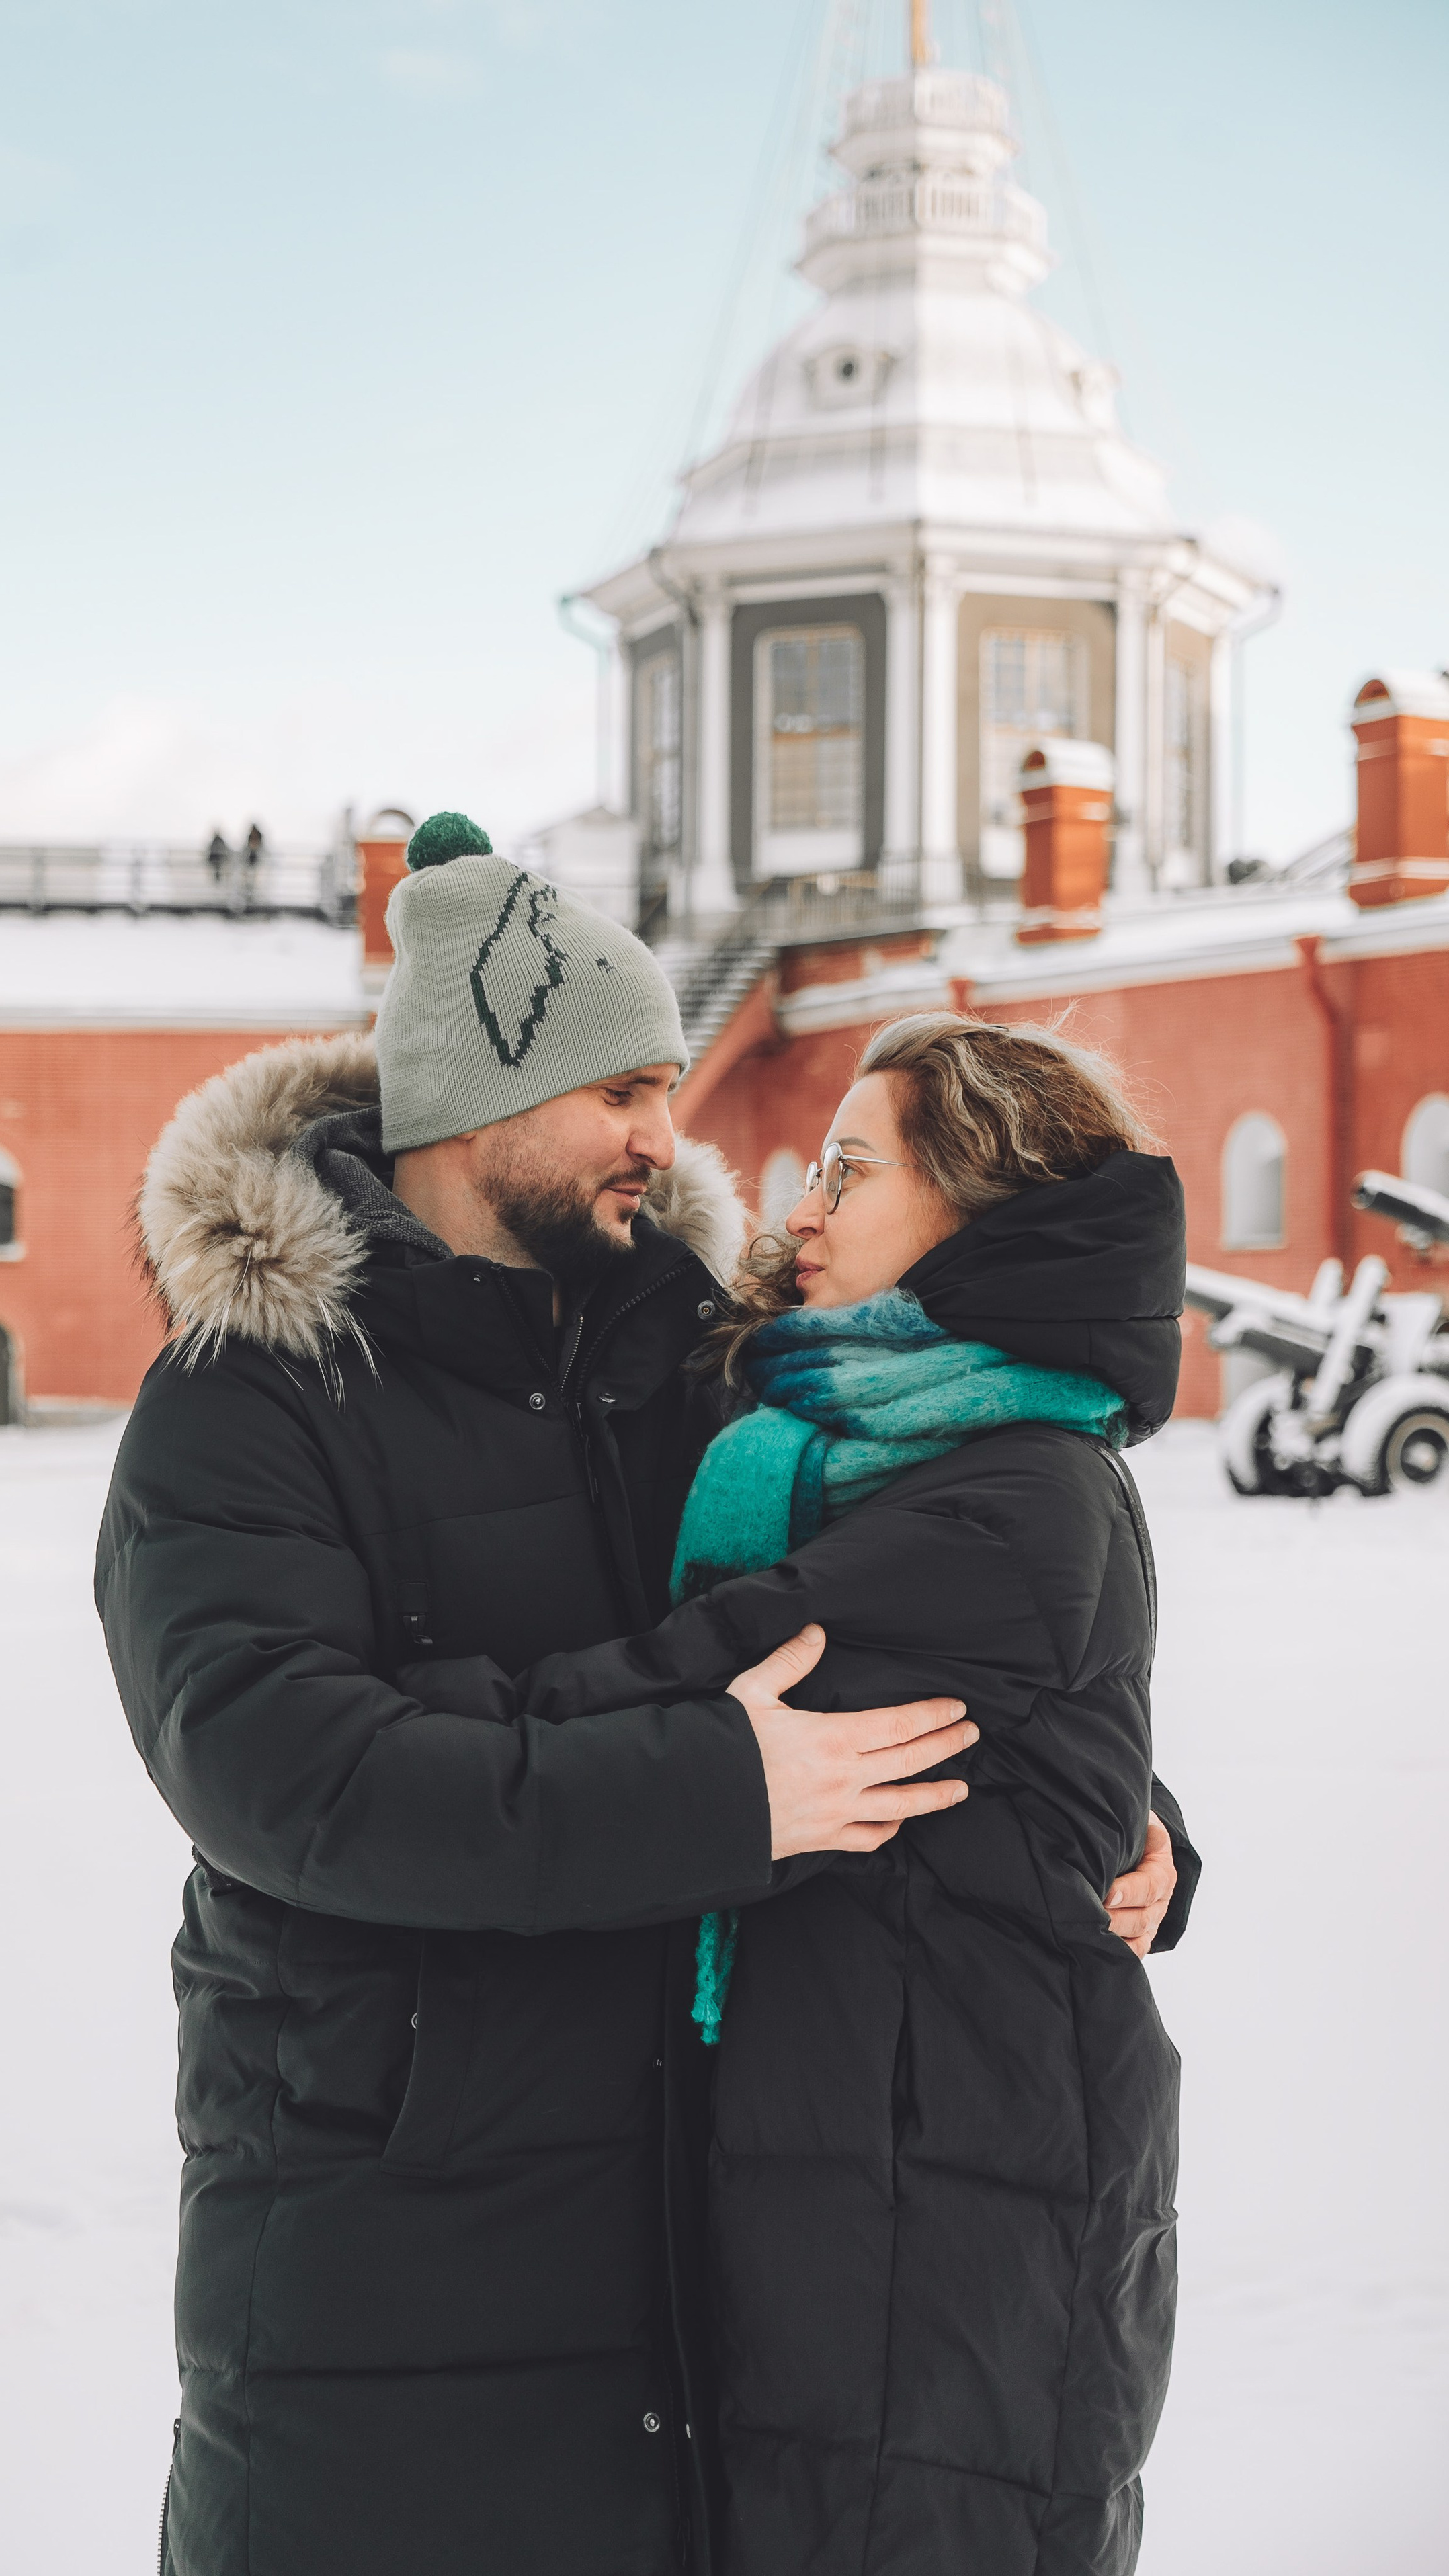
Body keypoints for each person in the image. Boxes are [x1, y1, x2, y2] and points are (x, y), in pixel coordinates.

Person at [95, 814, 990, 2576]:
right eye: (620, 1092)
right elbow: (294, 1775)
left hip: (690, 2247)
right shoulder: (251, 1398)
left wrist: (1119, 1818)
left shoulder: (699, 1369)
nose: (669, 1135)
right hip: (385, 2284)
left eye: (668, 1087)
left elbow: (907, 1624)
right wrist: (717, 1796)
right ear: (468, 1105)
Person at [505, 1011, 1200, 2576]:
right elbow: (1039, 1747)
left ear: (980, 1210)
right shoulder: (891, 1449)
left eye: (846, 1172)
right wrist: (1153, 1827)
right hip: (873, 2163)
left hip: (947, 2224)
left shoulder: (1010, 1491)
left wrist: (371, 1737)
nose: (796, 1210)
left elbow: (705, 1676)